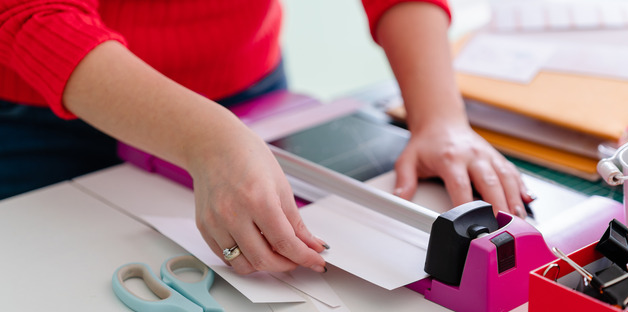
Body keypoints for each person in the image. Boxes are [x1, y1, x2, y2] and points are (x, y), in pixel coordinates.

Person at [0, 0, 533, 275]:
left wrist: (441, 117)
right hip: (42, 114)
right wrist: (208, 139)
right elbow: (31, 14)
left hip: (249, 93)